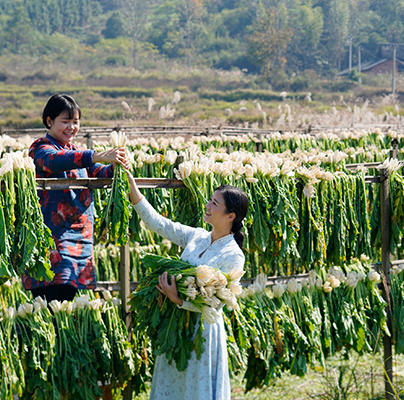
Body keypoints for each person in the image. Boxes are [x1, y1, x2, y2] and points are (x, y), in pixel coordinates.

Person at [125, 169, 249, 400]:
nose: (208, 205)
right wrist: (131, 185)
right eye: (210, 200)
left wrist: (178, 299)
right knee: (171, 385)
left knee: (195, 387)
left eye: (214, 203)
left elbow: (216, 305)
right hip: (176, 325)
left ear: (230, 215)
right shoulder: (198, 236)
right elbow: (159, 224)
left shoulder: (233, 256)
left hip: (201, 331)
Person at [23, 93, 129, 302]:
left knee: (67, 303)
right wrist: (95, 155)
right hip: (53, 240)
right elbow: (52, 161)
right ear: (49, 121)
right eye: (65, 121)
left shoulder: (77, 151)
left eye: (75, 122)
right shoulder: (41, 148)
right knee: (52, 302)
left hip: (79, 240)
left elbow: (100, 173)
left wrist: (117, 165)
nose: (71, 127)